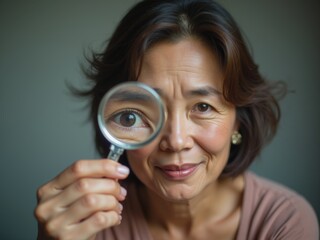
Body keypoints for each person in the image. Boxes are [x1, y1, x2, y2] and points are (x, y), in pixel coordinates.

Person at [34, 0, 319, 239]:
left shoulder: (283, 222)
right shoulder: (89, 228)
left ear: (238, 121)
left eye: (203, 107)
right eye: (133, 116)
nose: (176, 141)